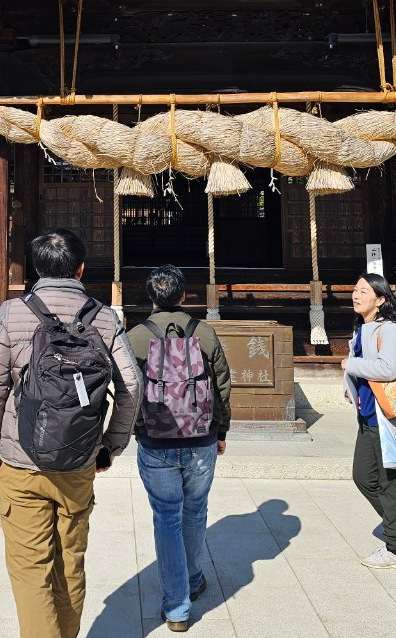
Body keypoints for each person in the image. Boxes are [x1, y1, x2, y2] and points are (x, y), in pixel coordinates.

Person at [0, 228, 142, 638]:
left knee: (31, 570)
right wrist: (111, 445)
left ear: (36, 269)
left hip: (21, 462)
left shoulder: (13, 313)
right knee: (71, 562)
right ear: (81, 269)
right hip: (79, 460)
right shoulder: (103, 316)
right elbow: (133, 386)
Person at [125, 264, 232, 633]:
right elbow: (222, 387)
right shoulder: (205, 333)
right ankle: (193, 576)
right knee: (195, 510)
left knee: (166, 517)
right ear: (185, 296)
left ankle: (177, 606)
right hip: (201, 439)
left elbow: (127, 391)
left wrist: (133, 431)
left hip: (155, 441)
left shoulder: (135, 337)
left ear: (151, 297)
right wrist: (221, 431)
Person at [341, 272, 396, 570]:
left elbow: (388, 369)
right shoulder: (361, 328)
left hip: (387, 418)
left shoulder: (387, 329)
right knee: (363, 476)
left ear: (381, 299)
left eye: (364, 290)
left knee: (390, 482)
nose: (356, 294)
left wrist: (352, 364)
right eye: (355, 289)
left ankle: (395, 550)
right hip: (368, 416)